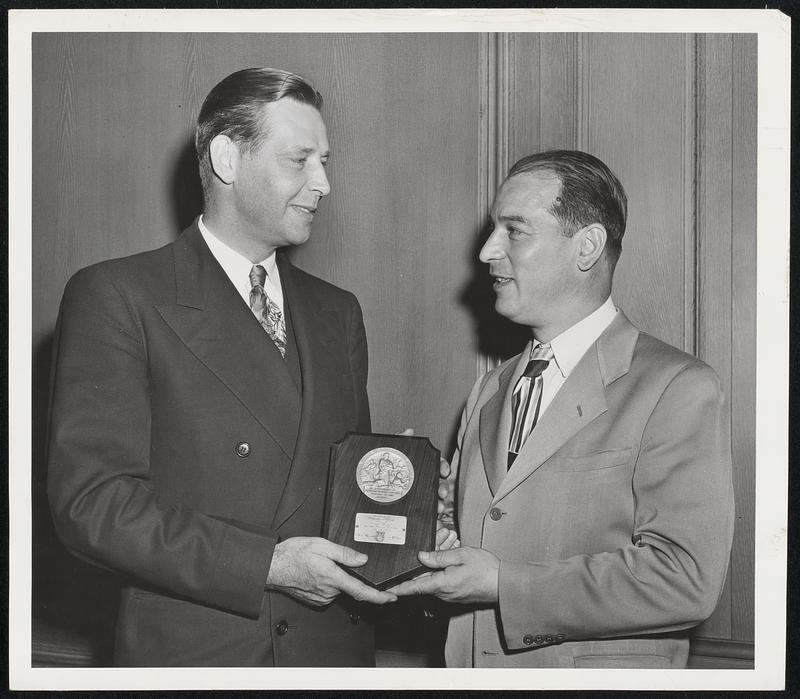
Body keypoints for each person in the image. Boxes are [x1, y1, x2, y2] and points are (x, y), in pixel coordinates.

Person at [45, 67, 401, 667]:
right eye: (301, 160)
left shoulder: (337, 312)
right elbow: (93, 505)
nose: (324, 183)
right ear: (227, 159)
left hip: (332, 653)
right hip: (203, 653)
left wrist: (406, 512)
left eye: (326, 161)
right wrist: (268, 565)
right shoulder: (117, 295)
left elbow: (344, 491)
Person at [393, 150, 735, 669]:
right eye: (494, 229)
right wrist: (435, 523)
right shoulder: (489, 389)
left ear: (587, 247)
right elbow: (497, 534)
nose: (487, 251)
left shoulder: (677, 387)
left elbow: (684, 579)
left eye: (515, 230)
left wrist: (505, 585)